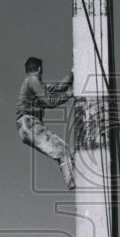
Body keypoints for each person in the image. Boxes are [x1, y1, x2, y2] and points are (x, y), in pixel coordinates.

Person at [16, 56, 75, 189]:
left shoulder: (33, 84)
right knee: (63, 153)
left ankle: (75, 182)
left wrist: (73, 72)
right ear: (40, 69)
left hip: (27, 126)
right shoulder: (33, 81)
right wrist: (69, 94)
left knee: (67, 151)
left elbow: (60, 87)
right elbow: (49, 101)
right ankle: (75, 184)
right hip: (29, 123)